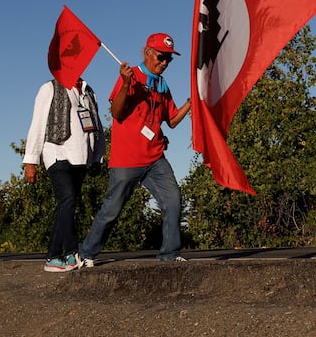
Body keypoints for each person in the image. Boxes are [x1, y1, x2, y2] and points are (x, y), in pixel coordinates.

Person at [79, 33, 192, 266]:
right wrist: (127, 84)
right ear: (148, 53)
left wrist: (191, 103)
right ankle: (86, 253)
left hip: (155, 157)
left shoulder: (162, 85)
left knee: (172, 200)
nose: (164, 63)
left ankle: (169, 254)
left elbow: (171, 120)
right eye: (161, 57)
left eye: (169, 59)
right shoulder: (131, 76)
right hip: (127, 158)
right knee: (112, 209)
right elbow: (117, 114)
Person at [23, 76, 104, 272]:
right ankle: (70, 252)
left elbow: (97, 126)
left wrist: (97, 157)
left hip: (81, 156)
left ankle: (52, 257)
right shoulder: (50, 88)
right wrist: (30, 160)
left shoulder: (88, 91)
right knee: (67, 198)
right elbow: (38, 123)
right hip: (56, 152)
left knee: (67, 205)